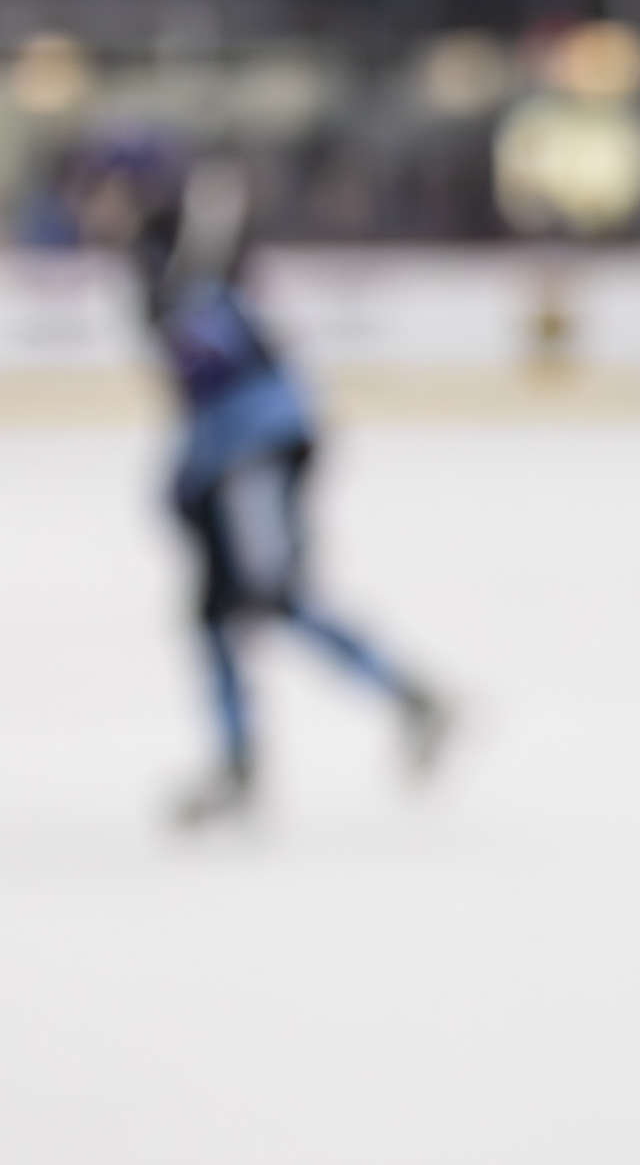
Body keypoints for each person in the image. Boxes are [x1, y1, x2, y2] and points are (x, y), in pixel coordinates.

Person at [67, 135, 453, 826]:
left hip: (254, 444)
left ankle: (407, 700)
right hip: (230, 449)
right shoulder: (158, 260)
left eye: (100, 187)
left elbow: (224, 352)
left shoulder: (176, 250)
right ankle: (247, 756)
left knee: (268, 591)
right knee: (221, 611)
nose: (88, 204)